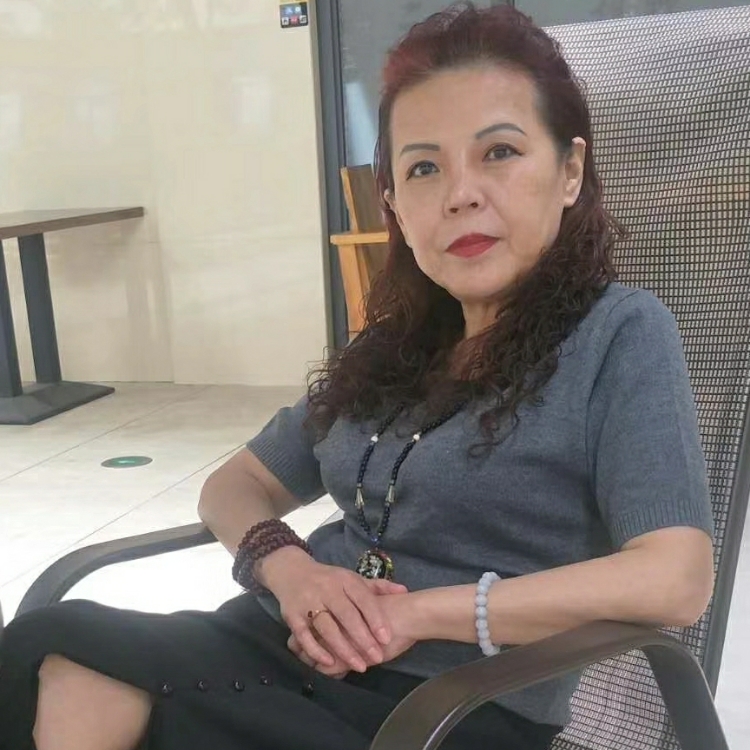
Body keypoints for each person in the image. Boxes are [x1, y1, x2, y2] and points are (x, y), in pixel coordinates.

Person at [0, 3, 715, 749]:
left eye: (499, 152)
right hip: (278, 646)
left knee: (151, 714)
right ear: (396, 207)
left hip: (449, 705)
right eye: (424, 167)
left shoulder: (617, 334)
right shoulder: (394, 347)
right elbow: (234, 486)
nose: (460, 193)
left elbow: (674, 578)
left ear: (569, 172)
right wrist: (290, 570)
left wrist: (416, 613)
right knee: (62, 646)